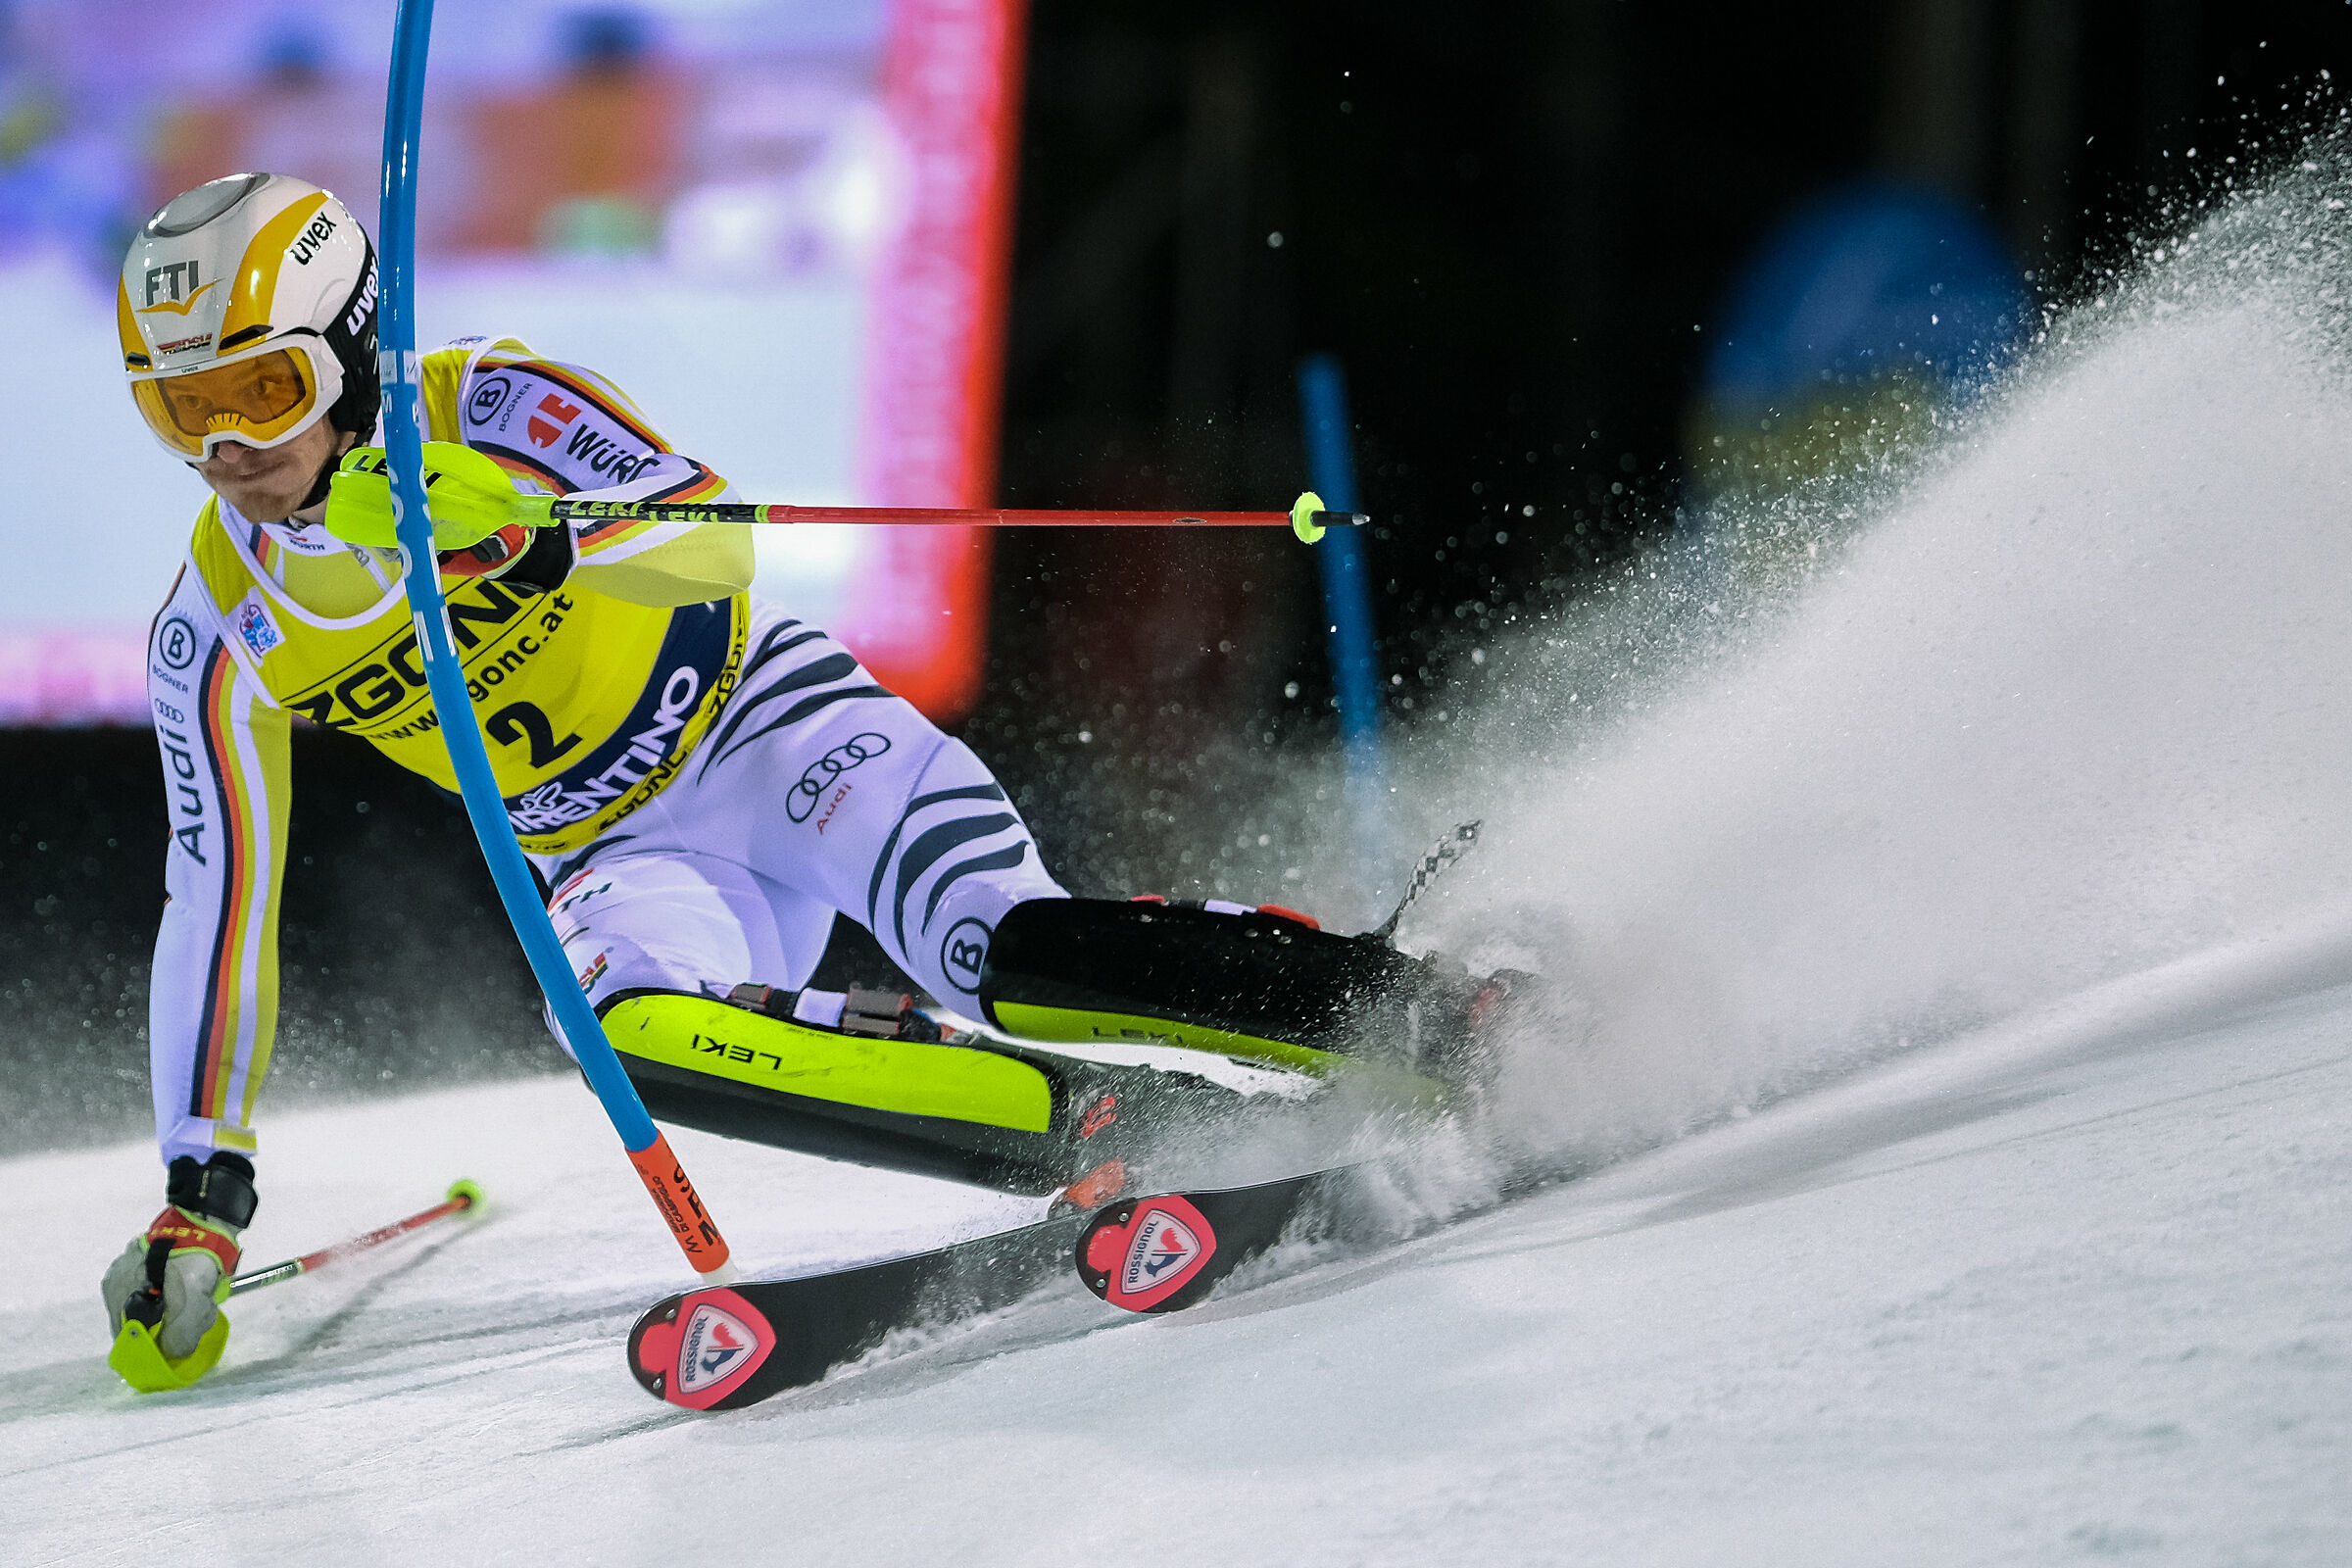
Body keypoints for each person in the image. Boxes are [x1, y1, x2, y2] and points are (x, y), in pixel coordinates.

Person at [100, 172, 1497, 1380]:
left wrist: (531, 541)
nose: (231, 452)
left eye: (260, 392)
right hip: (613, 856)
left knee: (990, 951)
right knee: (628, 1036)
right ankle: (1121, 1128)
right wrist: (198, 1188)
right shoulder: (217, 623)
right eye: (183, 412)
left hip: (768, 728)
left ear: (345, 351)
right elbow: (215, 896)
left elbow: (715, 539)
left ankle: (1421, 1013)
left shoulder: (494, 400)